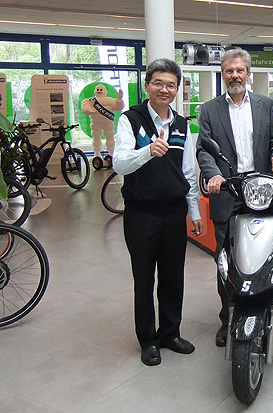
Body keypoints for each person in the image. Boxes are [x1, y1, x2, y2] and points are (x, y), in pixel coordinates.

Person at [196, 48, 273, 348]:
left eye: (240, 70)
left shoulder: (267, 105)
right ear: (222, 74)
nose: (234, 76)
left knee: (263, 256)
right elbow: (204, 149)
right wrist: (213, 174)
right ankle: (228, 319)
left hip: (262, 192)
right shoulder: (209, 109)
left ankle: (262, 314)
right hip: (227, 192)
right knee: (226, 262)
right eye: (229, 71)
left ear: (249, 74)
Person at [113, 58, 203, 366]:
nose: (165, 90)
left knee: (173, 277)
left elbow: (188, 171)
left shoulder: (181, 125)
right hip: (141, 213)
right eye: (159, 83)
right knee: (144, 278)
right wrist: (147, 152)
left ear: (177, 89)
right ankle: (148, 340)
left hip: (174, 213)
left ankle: (170, 333)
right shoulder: (131, 119)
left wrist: (194, 212)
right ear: (147, 85)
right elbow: (119, 163)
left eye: (171, 85)